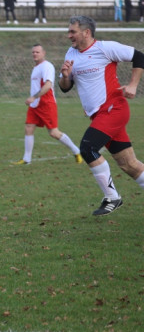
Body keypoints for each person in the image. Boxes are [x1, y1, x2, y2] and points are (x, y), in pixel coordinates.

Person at [58, 15, 144, 216]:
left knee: (87, 148)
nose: (69, 35)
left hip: (114, 109)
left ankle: (112, 198)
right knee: (128, 165)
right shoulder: (71, 53)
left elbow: (139, 56)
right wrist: (64, 76)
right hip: (99, 116)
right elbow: (65, 88)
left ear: (86, 32)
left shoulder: (105, 48)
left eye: (73, 31)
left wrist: (133, 84)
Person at [13, 44, 83, 165]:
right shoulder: (36, 68)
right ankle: (26, 159)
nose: (35, 54)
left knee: (54, 133)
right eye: (33, 52)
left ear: (43, 53)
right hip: (35, 105)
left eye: (37, 52)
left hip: (46, 103)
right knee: (29, 127)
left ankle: (76, 151)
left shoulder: (47, 66)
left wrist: (33, 97)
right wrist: (33, 100)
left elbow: (48, 85)